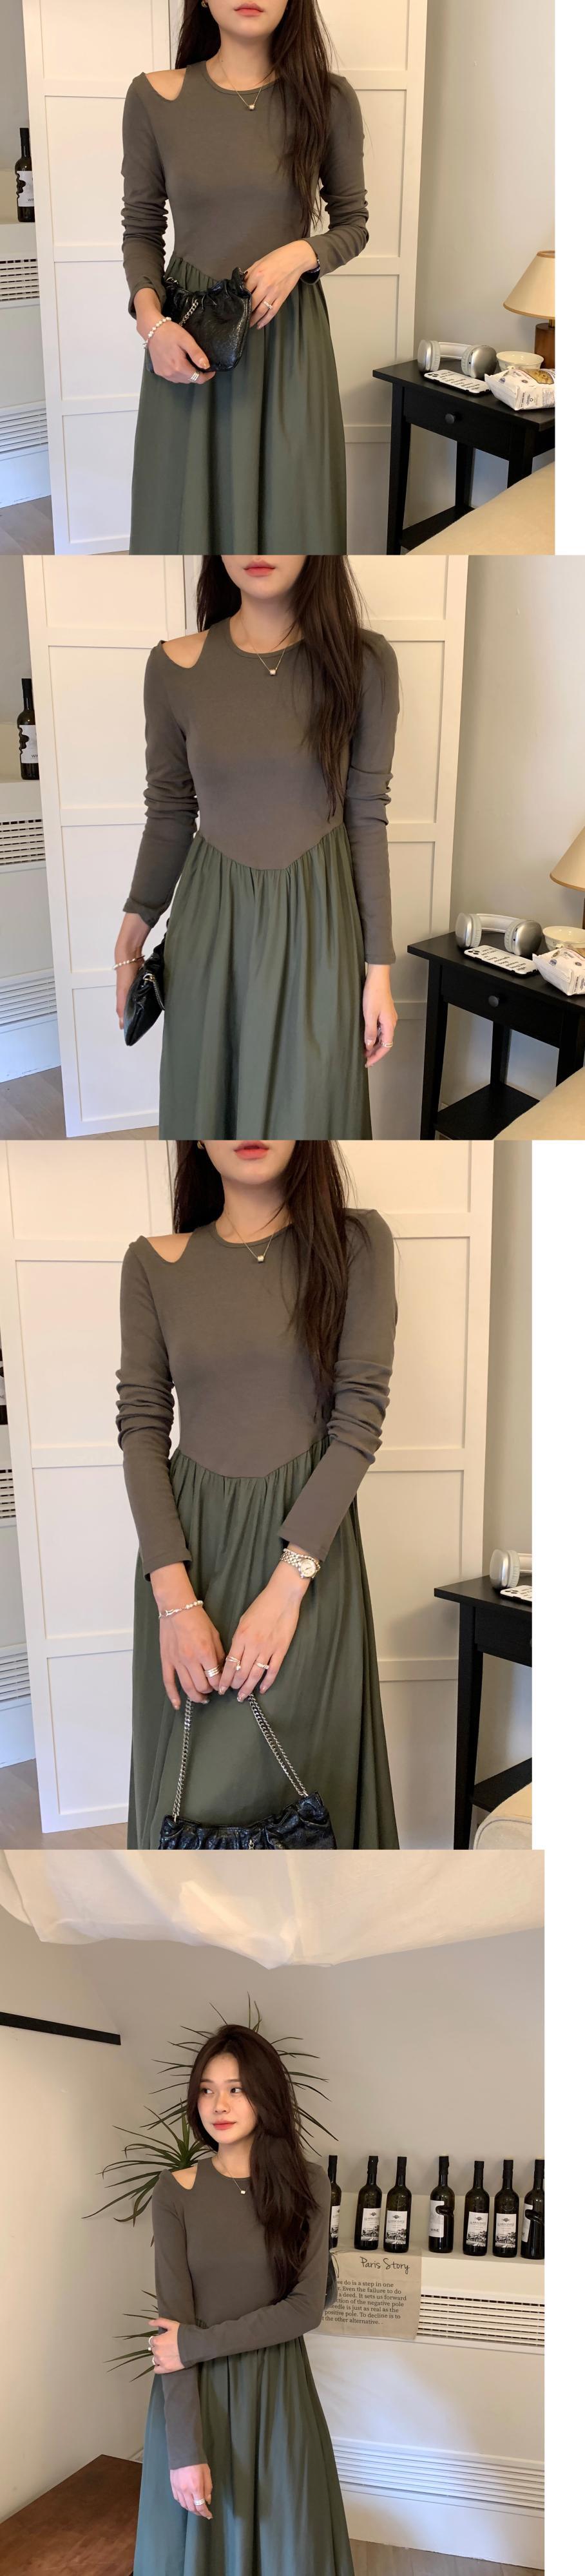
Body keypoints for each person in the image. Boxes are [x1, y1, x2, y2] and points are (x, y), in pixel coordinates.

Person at [117, 1139, 399, 1849]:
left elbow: (358, 1420)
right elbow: (142, 1425)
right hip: (189, 1561)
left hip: (307, 1561)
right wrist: (175, 1601)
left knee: (310, 1795)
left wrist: (287, 1588)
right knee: (187, 1807)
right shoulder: (152, 1263)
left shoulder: (356, 1243)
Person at [114, 554, 399, 1140]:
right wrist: (129, 941)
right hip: (211, 931)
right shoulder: (172, 667)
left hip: (321, 931)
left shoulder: (365, 663)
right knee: (210, 1106)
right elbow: (170, 811)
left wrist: (379, 973)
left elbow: (366, 815)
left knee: (315, 1112)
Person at [122, 0, 369, 550]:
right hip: (190, 336)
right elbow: (141, 228)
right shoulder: (153, 97)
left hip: (288, 339)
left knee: (293, 516)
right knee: (183, 514)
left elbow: (353, 224)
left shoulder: (329, 100)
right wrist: (152, 326)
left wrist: (300, 254)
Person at [136, 2023, 354, 2572]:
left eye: (236, 2088)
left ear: (265, 2095)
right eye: (207, 2090)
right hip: (198, 2400)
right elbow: (172, 2326)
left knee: (289, 2547)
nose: (219, 2104)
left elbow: (304, 2308)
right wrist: (184, 2453)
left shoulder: (308, 2185)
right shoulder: (175, 2191)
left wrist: (195, 2345)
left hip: (279, 2395)